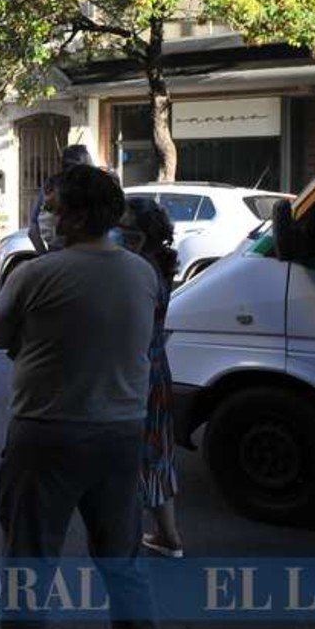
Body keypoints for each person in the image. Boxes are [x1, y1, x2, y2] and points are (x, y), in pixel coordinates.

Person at [0, 165, 174, 629]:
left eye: (57, 206)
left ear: (80, 214)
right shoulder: (141, 274)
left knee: (29, 570)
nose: (49, 215)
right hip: (120, 435)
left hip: (47, 434)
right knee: (124, 567)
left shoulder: (38, 274)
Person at [119, 197, 186, 559]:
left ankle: (134, 537)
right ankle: (168, 535)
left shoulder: (139, 272)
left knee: (134, 455)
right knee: (156, 452)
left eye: (125, 228)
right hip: (157, 368)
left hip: (139, 371)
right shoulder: (158, 264)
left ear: (140, 236)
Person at [27, 144, 94, 255]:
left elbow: (32, 230)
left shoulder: (51, 185)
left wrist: (45, 256)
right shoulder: (93, 187)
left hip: (55, 254)